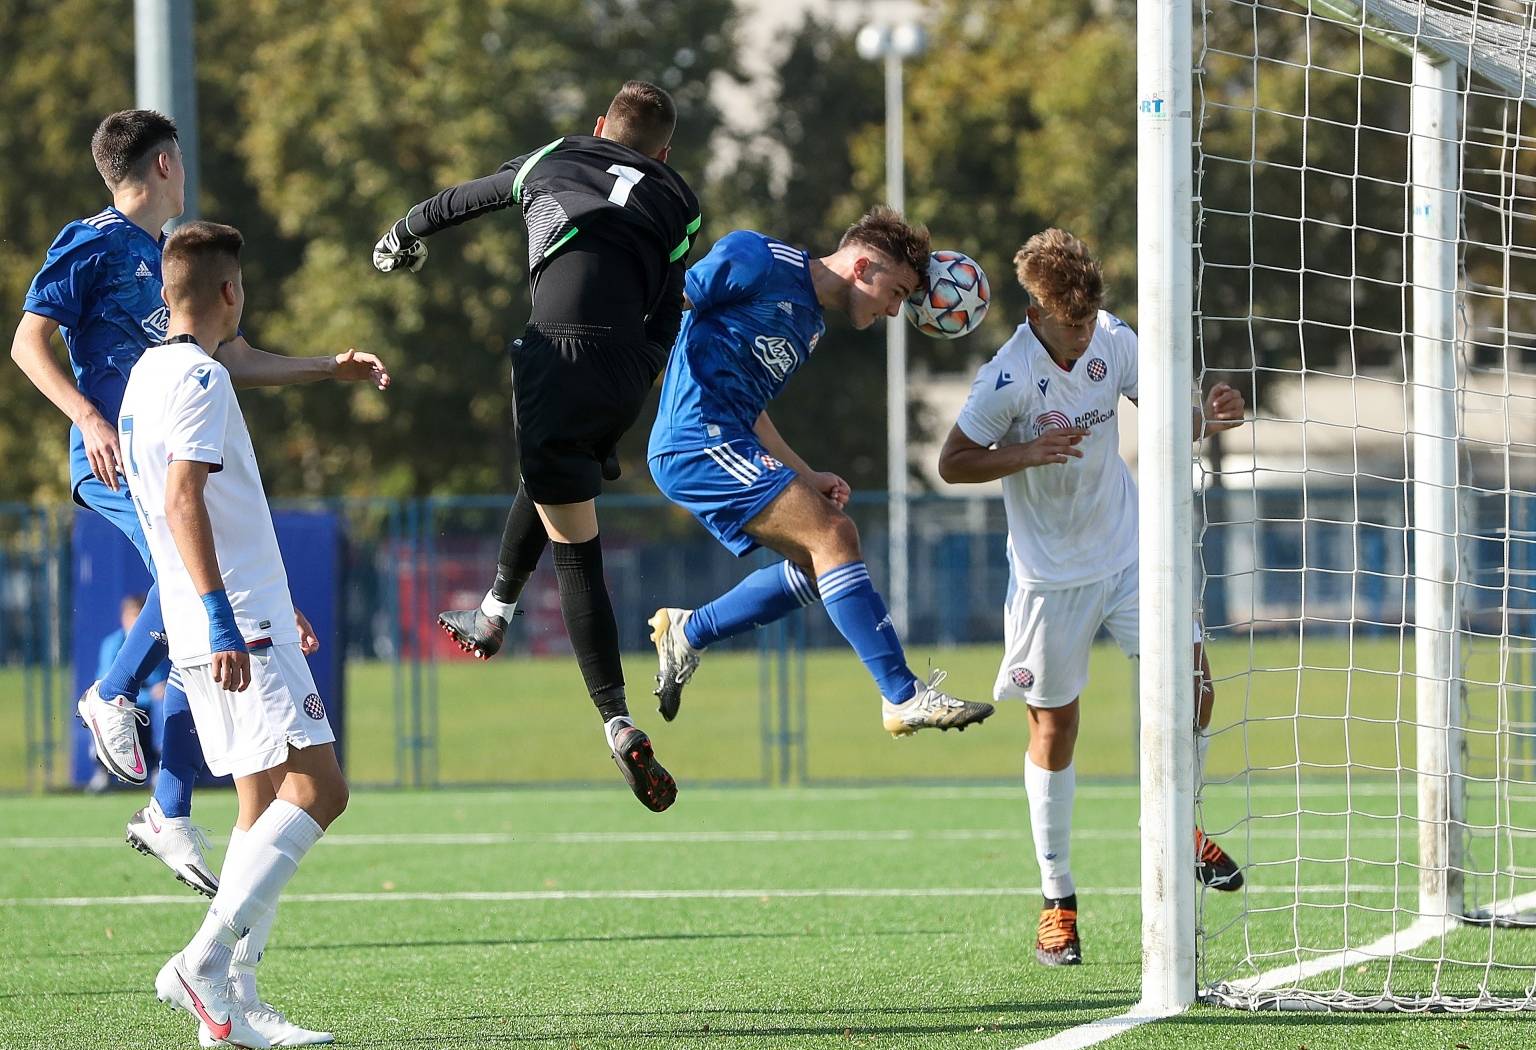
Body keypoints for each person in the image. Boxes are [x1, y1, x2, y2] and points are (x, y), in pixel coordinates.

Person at [10, 109, 388, 894]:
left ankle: (169, 807)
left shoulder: (162, 260)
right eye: (182, 160)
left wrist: (328, 368)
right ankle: (111, 695)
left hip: (153, 455)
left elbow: (235, 355)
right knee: (188, 597)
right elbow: (26, 342)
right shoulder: (91, 240)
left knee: (194, 618)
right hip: (116, 459)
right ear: (164, 166)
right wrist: (88, 418)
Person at [372, 80, 699, 812]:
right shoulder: (680, 197)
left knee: (576, 547)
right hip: (623, 369)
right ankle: (495, 612)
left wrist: (402, 234)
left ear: (598, 126)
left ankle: (615, 720)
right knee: (554, 481)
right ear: (664, 151)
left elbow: (467, 198)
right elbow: (668, 306)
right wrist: (642, 369)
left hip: (555, 352)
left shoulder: (557, 154)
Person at [936, 228, 1247, 968]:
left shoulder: (1114, 339)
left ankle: (1178, 826)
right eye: (1068, 322)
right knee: (1057, 730)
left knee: (1196, 686)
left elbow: (1175, 419)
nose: (1080, 334)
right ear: (1037, 310)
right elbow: (953, 463)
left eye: (1086, 321)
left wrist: (1212, 417)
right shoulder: (1005, 378)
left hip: (1131, 552)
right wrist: (1024, 452)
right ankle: (1058, 902)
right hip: (1050, 577)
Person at [644, 207, 994, 739]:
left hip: (726, 436)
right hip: (696, 439)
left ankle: (690, 630)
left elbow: (751, 408)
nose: (897, 311)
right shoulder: (757, 256)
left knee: (821, 565)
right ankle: (903, 696)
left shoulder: (808, 322)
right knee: (836, 534)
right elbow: (667, 303)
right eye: (897, 292)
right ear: (862, 266)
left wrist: (805, 474)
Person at [121, 221, 344, 1049]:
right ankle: (201, 962)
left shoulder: (147, 374)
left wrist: (261, 605)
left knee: (259, 803)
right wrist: (232, 614)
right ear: (229, 292)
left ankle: (234, 1005)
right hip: (230, 623)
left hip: (221, 617)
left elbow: (199, 511)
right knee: (322, 790)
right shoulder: (205, 380)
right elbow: (183, 502)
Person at [85, 594, 167, 793]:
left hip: (145, 707)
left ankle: (161, 768)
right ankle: (102, 771)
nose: (135, 622)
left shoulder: (156, 643)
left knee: (165, 702)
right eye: (131, 616)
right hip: (120, 704)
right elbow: (109, 686)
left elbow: (158, 684)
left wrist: (157, 692)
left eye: (140, 617)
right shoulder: (112, 643)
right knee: (96, 707)